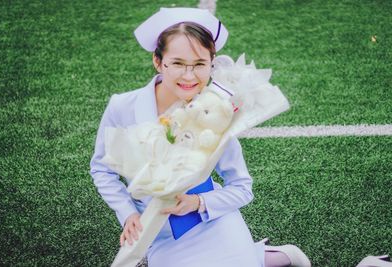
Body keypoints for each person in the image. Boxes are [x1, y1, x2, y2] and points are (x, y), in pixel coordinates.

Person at [90, 7, 311, 267]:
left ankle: (267, 257)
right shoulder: (122, 106)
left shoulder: (216, 114)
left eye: (199, 65)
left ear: (211, 64)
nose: (189, 76)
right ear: (158, 62)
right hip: (159, 232)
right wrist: (128, 214)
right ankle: (268, 257)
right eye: (178, 64)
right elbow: (101, 170)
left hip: (212, 220)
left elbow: (242, 187)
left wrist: (197, 202)